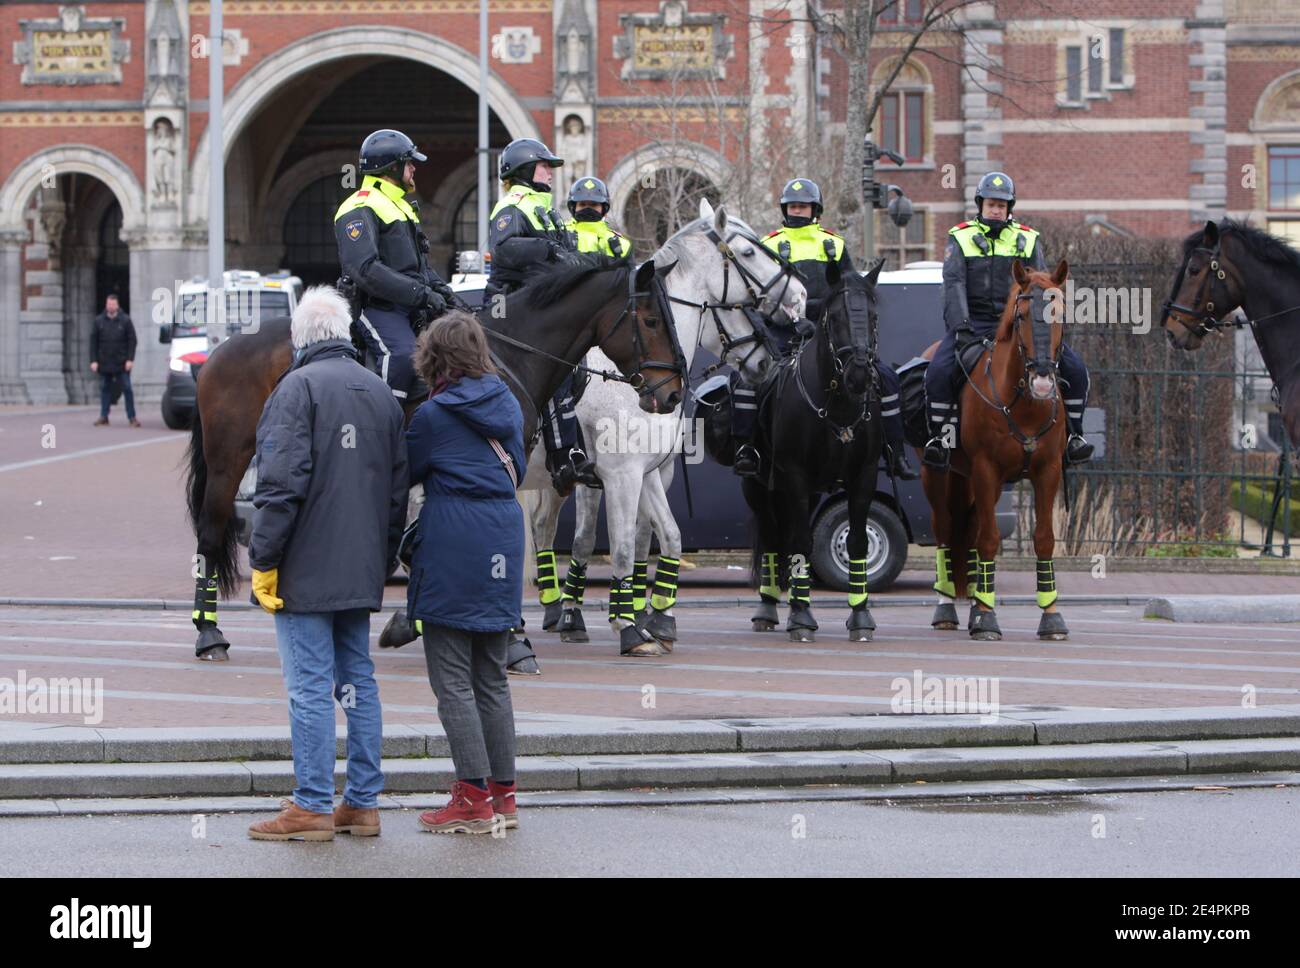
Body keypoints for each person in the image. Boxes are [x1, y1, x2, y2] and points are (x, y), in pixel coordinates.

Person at [246, 286, 409, 843]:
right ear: (345, 334)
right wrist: (381, 561)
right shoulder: (381, 393)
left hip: (304, 569)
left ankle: (311, 804)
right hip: (360, 568)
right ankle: (361, 803)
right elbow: (396, 496)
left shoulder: (296, 390)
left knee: (309, 687)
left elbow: (279, 487)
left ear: (299, 337)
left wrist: (262, 560)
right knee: (357, 681)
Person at [404, 310, 524, 834]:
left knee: (452, 679)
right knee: (492, 676)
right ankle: (504, 797)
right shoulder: (509, 403)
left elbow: (404, 472)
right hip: (502, 534)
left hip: (454, 540)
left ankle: (471, 799)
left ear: (434, 357)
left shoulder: (432, 417)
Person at [923, 171, 1093, 470]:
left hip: (1018, 325)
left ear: (1009, 207)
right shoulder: (960, 236)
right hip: (972, 323)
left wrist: (1042, 333)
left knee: (1076, 370)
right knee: (938, 372)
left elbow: (1042, 288)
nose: (996, 209)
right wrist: (960, 327)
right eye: (991, 204)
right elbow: (953, 284)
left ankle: (1074, 436)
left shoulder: (1027, 238)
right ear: (980, 204)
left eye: (1002, 205)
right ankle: (939, 440)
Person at [487, 136, 599, 495]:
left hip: (541, 308)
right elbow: (503, 250)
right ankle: (564, 457)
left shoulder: (546, 210)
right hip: (513, 307)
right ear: (524, 171)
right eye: (544, 165)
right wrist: (550, 250)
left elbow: (563, 253)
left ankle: (568, 448)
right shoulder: (512, 205)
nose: (550, 173)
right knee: (552, 369)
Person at [335, 128, 460, 403]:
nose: (414, 168)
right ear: (392, 167)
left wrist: (448, 295)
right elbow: (365, 270)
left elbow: (420, 267)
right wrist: (422, 294)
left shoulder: (401, 206)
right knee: (403, 358)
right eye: (409, 162)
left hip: (409, 306)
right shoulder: (357, 206)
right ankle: (384, 427)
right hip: (376, 306)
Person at [89, 294, 139, 427]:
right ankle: (104, 416)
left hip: (122, 362)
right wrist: (94, 360)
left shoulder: (126, 320)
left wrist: (130, 359)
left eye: (112, 304)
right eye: (108, 304)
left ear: (117, 305)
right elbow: (93, 342)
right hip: (105, 362)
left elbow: (132, 340)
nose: (110, 306)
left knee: (127, 389)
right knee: (105, 389)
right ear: (106, 305)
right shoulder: (99, 321)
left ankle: (132, 417)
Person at [566, 176, 631, 260]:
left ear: (604, 208)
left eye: (594, 204)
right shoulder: (559, 235)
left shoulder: (622, 244)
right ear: (573, 208)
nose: (588, 209)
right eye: (582, 204)